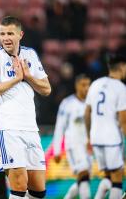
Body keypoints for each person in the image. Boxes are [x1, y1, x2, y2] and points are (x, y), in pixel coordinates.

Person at [0, 16, 51, 199]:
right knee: (19, 185)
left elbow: (46, 89)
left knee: (38, 190)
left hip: (30, 128)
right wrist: (16, 79)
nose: (5, 37)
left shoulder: (30, 54)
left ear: (20, 34)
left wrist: (28, 76)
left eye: (10, 33)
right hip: (7, 128)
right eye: (2, 33)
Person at [84, 53, 126, 199]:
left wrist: (89, 137)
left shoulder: (96, 84)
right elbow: (123, 122)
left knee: (108, 177)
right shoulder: (121, 88)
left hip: (96, 138)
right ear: (122, 66)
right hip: (112, 139)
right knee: (117, 179)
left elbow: (87, 113)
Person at [53, 74, 91, 199]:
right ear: (77, 86)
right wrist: (56, 150)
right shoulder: (67, 103)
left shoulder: (91, 103)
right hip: (74, 146)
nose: (86, 88)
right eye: (83, 85)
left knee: (83, 179)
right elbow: (59, 127)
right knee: (84, 175)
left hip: (88, 147)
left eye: (88, 85)